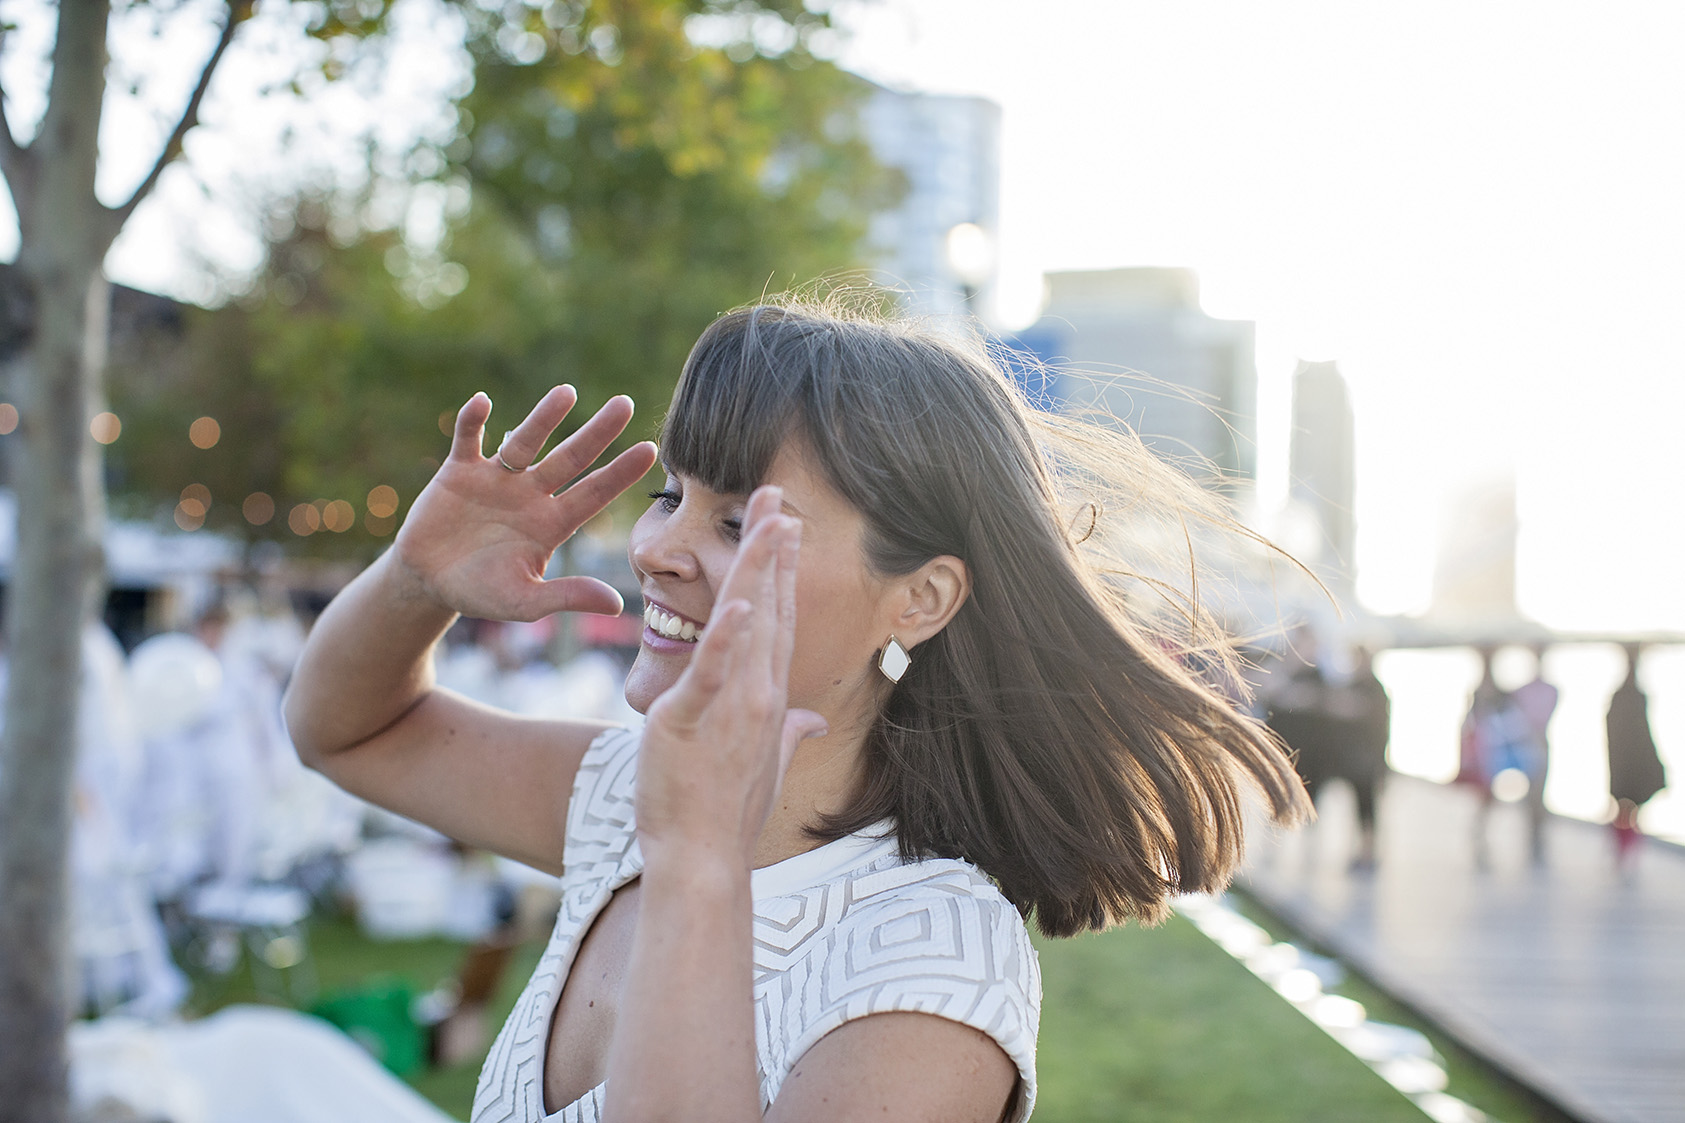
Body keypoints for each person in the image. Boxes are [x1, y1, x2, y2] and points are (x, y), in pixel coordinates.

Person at [283, 298, 1311, 1123]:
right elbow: (348, 731)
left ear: (919, 599)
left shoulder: (928, 965)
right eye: (666, 496)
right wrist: (415, 580)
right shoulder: (616, 791)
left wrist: (693, 857)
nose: (655, 549)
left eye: (734, 519)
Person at [1606, 644, 1667, 874]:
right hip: (1626, 763)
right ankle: (1624, 851)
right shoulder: (1628, 697)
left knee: (1628, 810)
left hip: (1631, 763)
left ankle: (1626, 852)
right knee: (1625, 811)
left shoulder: (1631, 697)